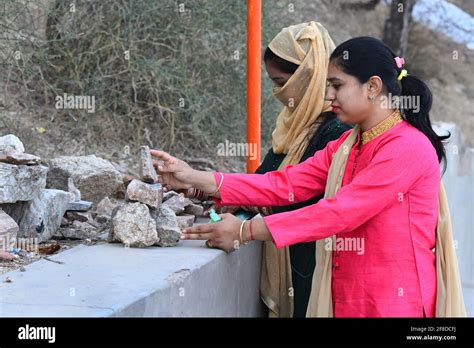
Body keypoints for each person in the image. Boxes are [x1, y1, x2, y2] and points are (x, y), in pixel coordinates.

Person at [151, 37, 466, 317]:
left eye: (337, 85)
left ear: (372, 87)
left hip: (395, 304)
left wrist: (247, 230)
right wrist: (194, 177)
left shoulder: (407, 147)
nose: (328, 95)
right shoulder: (347, 144)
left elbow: (342, 211)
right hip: (346, 298)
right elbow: (285, 183)